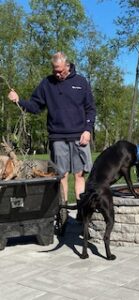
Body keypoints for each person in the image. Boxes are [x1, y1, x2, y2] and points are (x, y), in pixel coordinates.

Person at [8, 52, 96, 212]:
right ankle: (62, 213)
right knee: (61, 176)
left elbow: (90, 109)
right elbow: (35, 107)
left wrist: (88, 130)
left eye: (60, 70)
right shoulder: (47, 84)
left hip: (80, 136)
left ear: (68, 66)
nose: (57, 74)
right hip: (58, 138)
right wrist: (18, 100)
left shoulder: (81, 82)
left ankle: (82, 212)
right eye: (54, 70)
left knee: (79, 175)